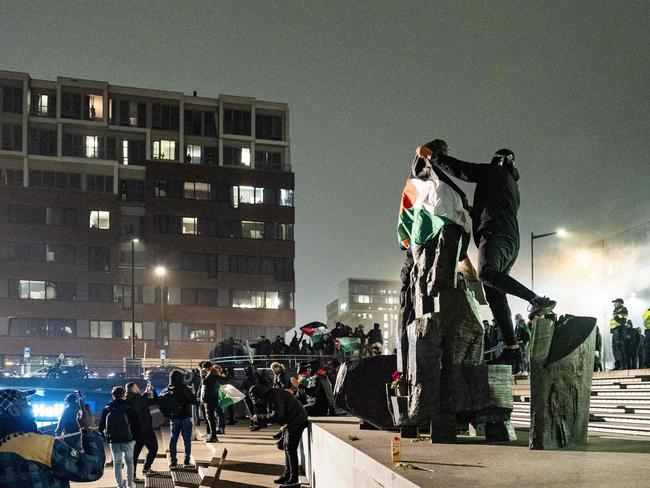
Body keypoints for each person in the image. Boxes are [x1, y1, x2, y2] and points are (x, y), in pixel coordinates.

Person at [416, 145, 557, 368]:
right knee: (495, 293)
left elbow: (464, 170)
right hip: (509, 239)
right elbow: (492, 207)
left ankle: (536, 300)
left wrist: (433, 156)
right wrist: (471, 210)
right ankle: (512, 350)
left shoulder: (495, 172)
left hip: (495, 234)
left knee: (486, 273)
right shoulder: (510, 186)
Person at [0, 388, 105, 487]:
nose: (30, 407)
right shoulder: (40, 445)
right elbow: (92, 469)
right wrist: (87, 429)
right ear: (13, 411)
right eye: (25, 403)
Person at [249, 385, 309, 488]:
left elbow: (277, 415)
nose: (259, 401)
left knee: (290, 449)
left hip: (296, 421)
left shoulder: (274, 396)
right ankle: (287, 475)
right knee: (287, 448)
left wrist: (259, 417)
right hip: (291, 421)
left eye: (258, 399)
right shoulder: (271, 394)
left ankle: (293, 480)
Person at [99, 386, 141, 488]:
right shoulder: (129, 407)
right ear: (123, 395)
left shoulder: (107, 408)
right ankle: (130, 484)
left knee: (117, 463)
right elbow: (136, 424)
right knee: (129, 462)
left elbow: (101, 426)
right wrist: (135, 438)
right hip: (128, 439)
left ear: (113, 395)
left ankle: (119, 485)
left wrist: (106, 436)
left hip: (113, 440)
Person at [164, 369, 198, 468]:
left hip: (174, 418)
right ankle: (186, 461)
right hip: (185, 417)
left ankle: (173, 461)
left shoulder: (168, 389)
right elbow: (193, 401)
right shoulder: (185, 389)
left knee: (173, 439)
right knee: (186, 439)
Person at [125, 382, 159, 478]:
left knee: (134, 454)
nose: (138, 388)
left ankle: (132, 475)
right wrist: (152, 390)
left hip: (133, 431)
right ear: (133, 389)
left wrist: (144, 394)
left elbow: (139, 401)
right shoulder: (139, 399)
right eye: (137, 387)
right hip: (145, 429)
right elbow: (155, 401)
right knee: (153, 448)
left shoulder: (127, 399)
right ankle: (146, 468)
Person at [200, 361, 225, 442]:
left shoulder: (211, 373)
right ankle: (212, 435)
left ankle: (213, 436)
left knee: (210, 417)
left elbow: (204, 382)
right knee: (210, 417)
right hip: (211, 397)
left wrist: (202, 375)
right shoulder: (214, 373)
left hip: (209, 398)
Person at [610, 298, 629, 370]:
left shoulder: (623, 310)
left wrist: (615, 316)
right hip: (615, 331)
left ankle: (623, 366)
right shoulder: (616, 311)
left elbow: (623, 322)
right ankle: (617, 365)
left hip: (620, 330)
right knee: (615, 349)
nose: (614, 304)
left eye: (615, 302)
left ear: (620, 303)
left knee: (620, 348)